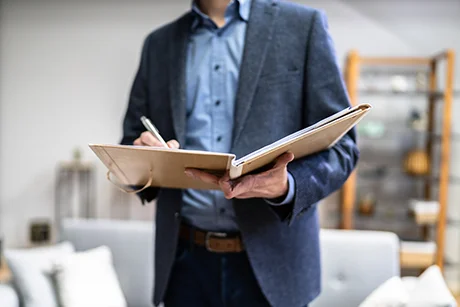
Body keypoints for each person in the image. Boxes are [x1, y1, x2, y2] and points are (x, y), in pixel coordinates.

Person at [120, 0, 358, 306]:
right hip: (183, 265)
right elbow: (131, 142)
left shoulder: (303, 25)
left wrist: (287, 186)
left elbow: (342, 147)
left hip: (275, 266)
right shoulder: (159, 44)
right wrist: (142, 157)